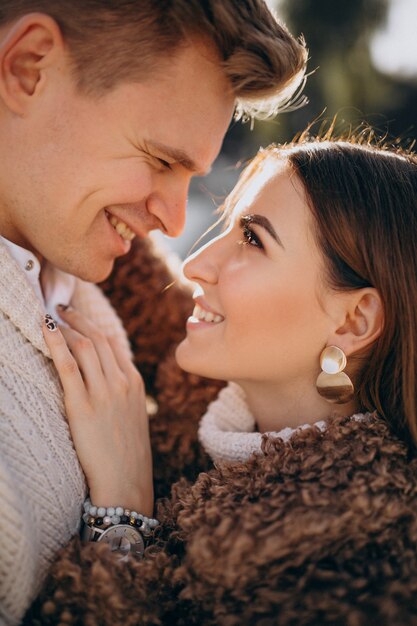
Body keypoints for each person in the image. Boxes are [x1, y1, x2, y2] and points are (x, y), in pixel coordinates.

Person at [0, 1, 308, 622]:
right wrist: (125, 524)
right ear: (30, 66)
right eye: (161, 159)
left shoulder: (83, 279)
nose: (172, 221)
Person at [31, 132, 417, 625]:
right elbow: (124, 262)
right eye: (229, 227)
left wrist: (123, 520)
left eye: (253, 240)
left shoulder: (359, 554)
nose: (195, 265)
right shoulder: (208, 388)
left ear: (353, 321)